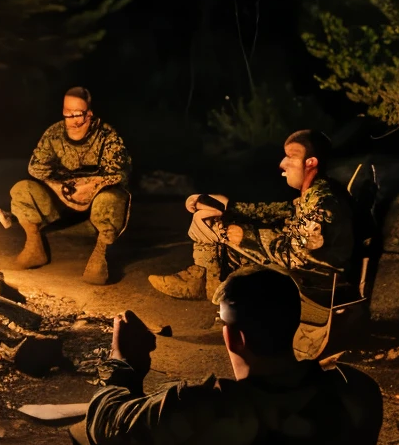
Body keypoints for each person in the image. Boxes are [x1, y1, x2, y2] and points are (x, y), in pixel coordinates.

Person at [86, 267, 383, 445]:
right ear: (295, 325)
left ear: (233, 337)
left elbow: (106, 426)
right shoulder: (357, 391)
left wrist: (122, 367)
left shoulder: (209, 409)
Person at [149, 128, 355, 322]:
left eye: (290, 157)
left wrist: (247, 236)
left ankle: (212, 292)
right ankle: (200, 276)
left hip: (313, 283)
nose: (282, 164)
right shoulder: (314, 194)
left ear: (310, 162)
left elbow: (297, 257)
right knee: (219, 221)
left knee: (228, 238)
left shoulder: (323, 204)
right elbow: (280, 211)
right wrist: (229, 207)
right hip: (304, 271)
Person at [9, 86, 131, 286]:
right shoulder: (54, 134)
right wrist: (59, 187)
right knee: (22, 190)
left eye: (79, 114)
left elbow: (120, 173)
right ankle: (34, 247)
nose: (73, 120)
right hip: (61, 198)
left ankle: (100, 255)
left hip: (95, 202)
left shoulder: (107, 136)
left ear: (89, 114)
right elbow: (36, 168)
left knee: (113, 199)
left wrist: (92, 186)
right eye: (68, 113)